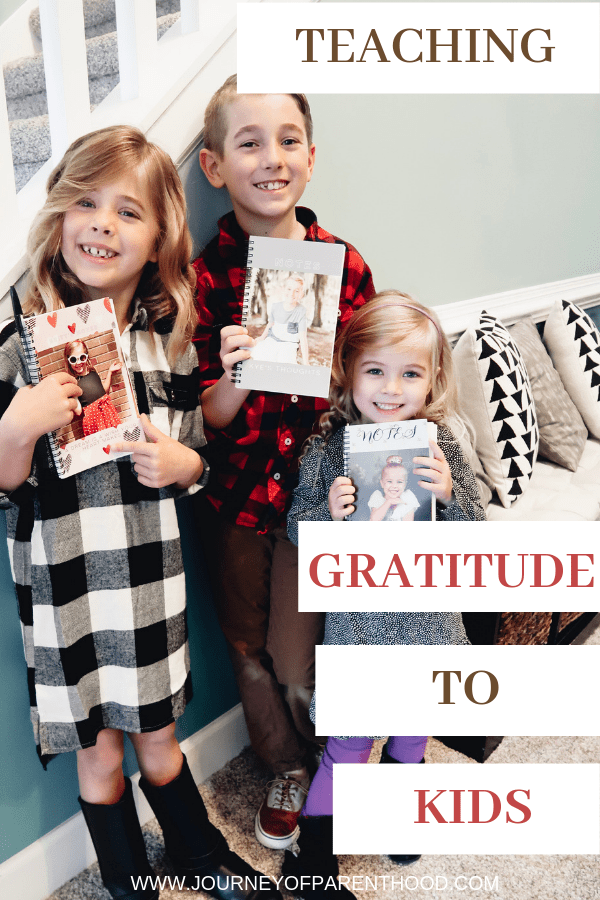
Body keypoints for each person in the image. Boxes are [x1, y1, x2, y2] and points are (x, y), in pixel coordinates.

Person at [0, 126, 281, 900]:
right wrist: (16, 425)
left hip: (148, 578)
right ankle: (131, 886)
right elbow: (4, 483)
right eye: (85, 202)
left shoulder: (168, 340)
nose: (101, 223)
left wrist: (187, 462)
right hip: (63, 591)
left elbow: (196, 443)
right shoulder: (19, 343)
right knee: (99, 754)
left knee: (158, 740)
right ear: (59, 217)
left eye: (128, 212)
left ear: (158, 239)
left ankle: (200, 853)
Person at [193, 74, 375, 851]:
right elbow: (207, 414)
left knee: (307, 647)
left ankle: (335, 757)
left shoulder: (344, 262)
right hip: (235, 497)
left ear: (311, 156)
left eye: (288, 140)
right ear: (213, 167)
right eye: (249, 141)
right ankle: (286, 764)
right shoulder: (208, 275)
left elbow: (372, 388)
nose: (272, 158)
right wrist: (235, 370)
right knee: (245, 641)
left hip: (315, 494)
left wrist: (337, 363)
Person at [284, 292, 486, 899]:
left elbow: (473, 532)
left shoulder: (441, 442)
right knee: (348, 743)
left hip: (428, 619)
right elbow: (298, 529)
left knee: (412, 728)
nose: (391, 388)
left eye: (410, 373)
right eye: (375, 370)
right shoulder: (329, 445)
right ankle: (312, 854)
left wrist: (450, 497)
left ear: (434, 380)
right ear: (349, 371)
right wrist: (331, 512)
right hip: (361, 626)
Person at [63, 338, 122, 435]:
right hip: (93, 420)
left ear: (86, 356)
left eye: (81, 358)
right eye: (73, 359)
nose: (78, 363)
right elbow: (78, 411)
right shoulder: (74, 383)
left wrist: (110, 372)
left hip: (108, 413)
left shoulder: (93, 372)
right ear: (69, 361)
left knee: (116, 438)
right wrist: (71, 396)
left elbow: (104, 391)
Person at [252, 275, 309, 365]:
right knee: (260, 354)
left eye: (296, 291)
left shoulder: (301, 311)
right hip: (273, 339)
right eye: (289, 289)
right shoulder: (276, 306)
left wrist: (306, 362)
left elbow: (303, 337)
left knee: (284, 362)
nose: (292, 293)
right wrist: (262, 337)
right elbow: (270, 324)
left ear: (301, 294)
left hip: (289, 344)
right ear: (284, 289)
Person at [368, 454, 419, 521]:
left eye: (399, 482)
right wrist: (388, 502)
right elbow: (374, 520)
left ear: (405, 484)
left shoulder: (408, 497)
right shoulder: (377, 496)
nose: (394, 486)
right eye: (389, 481)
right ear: (382, 484)